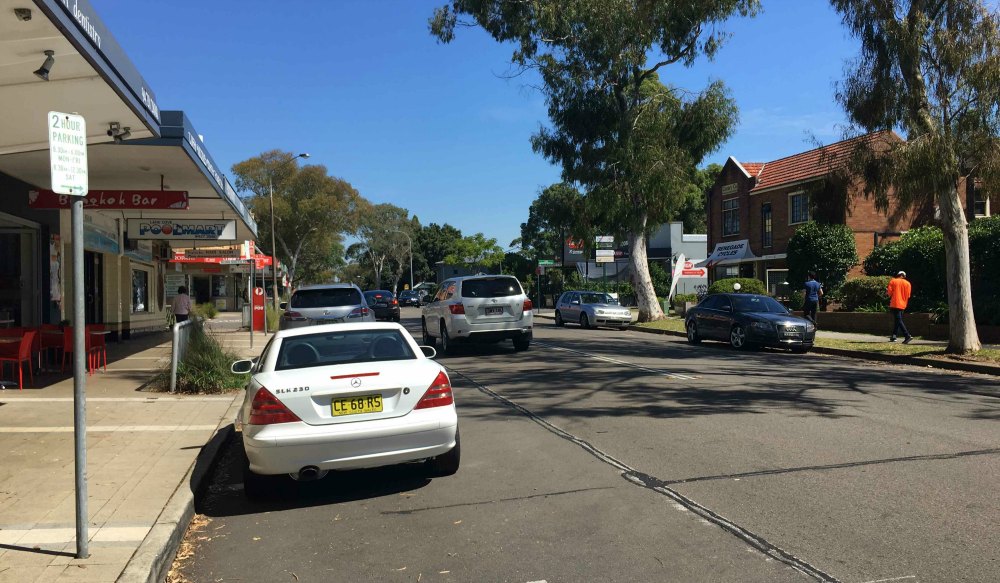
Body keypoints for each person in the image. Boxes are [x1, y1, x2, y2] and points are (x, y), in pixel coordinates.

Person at [887, 271, 912, 343]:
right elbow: (908, 295)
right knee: (897, 320)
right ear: (903, 276)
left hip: (895, 303)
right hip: (903, 304)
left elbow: (889, 293)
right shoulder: (908, 283)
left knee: (898, 320)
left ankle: (907, 335)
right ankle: (894, 336)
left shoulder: (893, 281)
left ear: (898, 274)